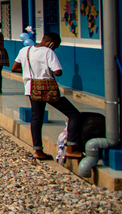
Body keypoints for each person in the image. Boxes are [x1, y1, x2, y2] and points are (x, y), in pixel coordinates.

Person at [11, 32, 83, 160]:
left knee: (37, 118)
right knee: (74, 115)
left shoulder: (24, 50)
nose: (54, 49)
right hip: (47, 89)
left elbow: (14, 68)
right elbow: (58, 72)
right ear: (52, 44)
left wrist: (30, 70)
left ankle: (38, 150)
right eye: (55, 47)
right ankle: (72, 148)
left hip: (31, 88)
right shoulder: (48, 52)